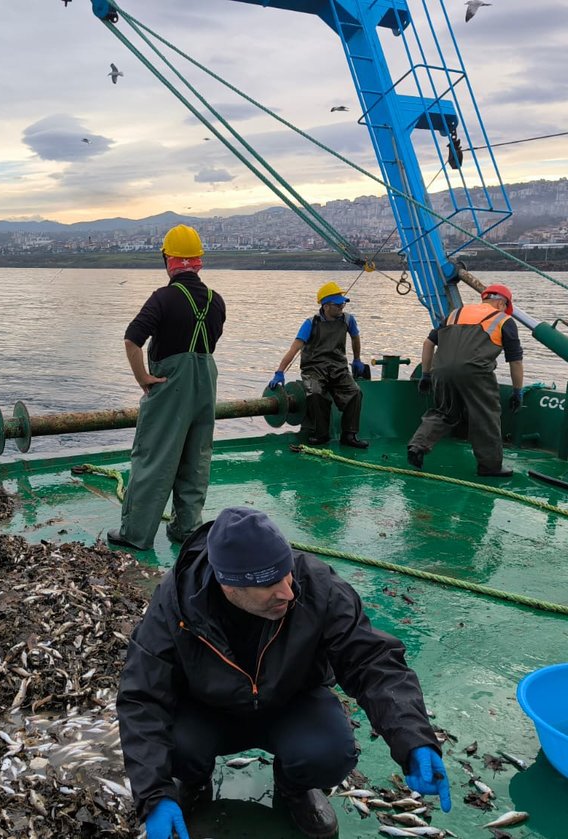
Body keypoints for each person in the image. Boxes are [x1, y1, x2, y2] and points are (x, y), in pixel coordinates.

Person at [118, 506, 450, 839]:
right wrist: (153, 793)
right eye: (269, 584)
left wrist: (414, 737)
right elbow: (141, 696)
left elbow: (372, 661)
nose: (288, 592)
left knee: (330, 752)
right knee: (175, 747)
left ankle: (295, 788)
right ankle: (192, 780)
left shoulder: (317, 585)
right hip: (207, 709)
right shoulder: (174, 601)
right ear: (228, 585)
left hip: (291, 701)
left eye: (286, 572)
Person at [108, 224, 227, 550]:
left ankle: (136, 534)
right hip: (206, 385)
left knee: (154, 458)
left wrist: (142, 377)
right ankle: (187, 528)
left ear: (168, 260)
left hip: (170, 385)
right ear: (199, 261)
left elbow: (133, 339)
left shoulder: (163, 298)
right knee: (196, 457)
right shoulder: (216, 301)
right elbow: (210, 342)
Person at [407, 283, 525, 477]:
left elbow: (428, 343)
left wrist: (426, 374)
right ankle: (490, 467)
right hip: (475, 373)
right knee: (485, 416)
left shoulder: (455, 314)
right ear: (503, 303)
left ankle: (417, 446)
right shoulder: (503, 320)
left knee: (444, 412)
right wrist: (517, 391)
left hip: (441, 371)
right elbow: (515, 361)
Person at [267, 281, 369, 448]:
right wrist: (280, 372)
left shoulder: (348, 320)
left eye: (343, 303)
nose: (342, 307)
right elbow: (295, 348)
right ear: (326, 306)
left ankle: (349, 435)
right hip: (313, 368)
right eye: (338, 304)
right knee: (315, 393)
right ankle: (321, 433)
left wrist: (357, 359)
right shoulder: (310, 323)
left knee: (355, 393)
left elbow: (355, 338)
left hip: (338, 367)